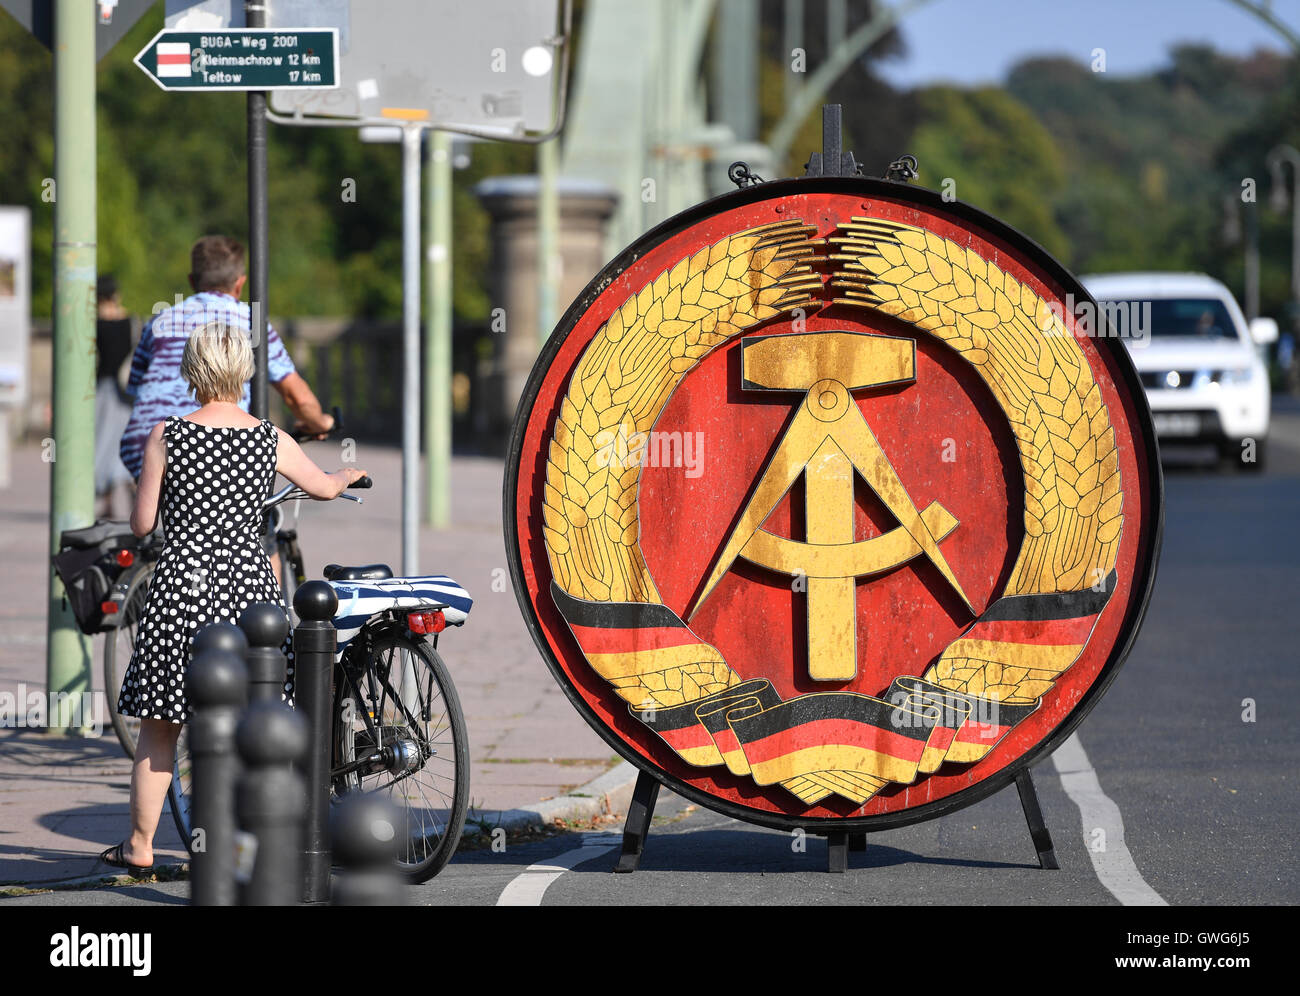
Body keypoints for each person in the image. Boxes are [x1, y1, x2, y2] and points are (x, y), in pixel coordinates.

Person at [99, 321, 367, 876]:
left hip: (179, 591)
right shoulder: (269, 438)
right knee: (253, 719)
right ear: (244, 371)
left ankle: (141, 846)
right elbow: (319, 487)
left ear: (192, 371)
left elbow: (143, 521)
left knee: (161, 727)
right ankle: (244, 843)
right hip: (248, 593)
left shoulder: (167, 436)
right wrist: (343, 475)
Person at [94, 275, 135, 519]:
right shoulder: (130, 322)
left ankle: (104, 494)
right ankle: (116, 488)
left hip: (102, 390)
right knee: (117, 442)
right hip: (124, 393)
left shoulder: (95, 324)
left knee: (100, 442)